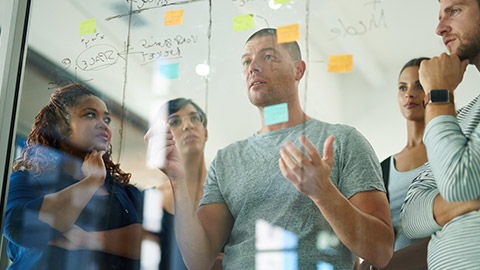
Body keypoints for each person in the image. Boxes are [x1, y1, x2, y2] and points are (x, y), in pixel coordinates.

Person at [145, 28, 394, 269]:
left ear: (298, 70)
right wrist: (178, 181)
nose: (253, 67)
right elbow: (199, 260)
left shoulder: (343, 140)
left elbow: (381, 252)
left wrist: (323, 193)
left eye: (268, 56)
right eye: (246, 61)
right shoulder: (226, 160)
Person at [3, 83, 143, 269]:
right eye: (90, 115)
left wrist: (86, 238)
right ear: (60, 127)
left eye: (106, 119)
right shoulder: (26, 179)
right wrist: (92, 181)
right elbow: (20, 229)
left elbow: (152, 242)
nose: (103, 124)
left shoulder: (126, 191)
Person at [401, 0, 480, 269]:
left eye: (454, 11)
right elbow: (410, 216)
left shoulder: (443, 108)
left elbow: (458, 184)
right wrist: (460, 204)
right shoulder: (464, 116)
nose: (439, 28)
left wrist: (438, 93)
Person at [359, 58, 431, 270]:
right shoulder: (383, 168)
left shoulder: (446, 152)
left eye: (419, 85)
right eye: (402, 87)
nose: (409, 93)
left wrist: (392, 263)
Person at [147, 98, 222, 270]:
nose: (188, 126)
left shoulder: (227, 195)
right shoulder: (151, 200)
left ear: (206, 133)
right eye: (174, 121)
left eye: (195, 118)